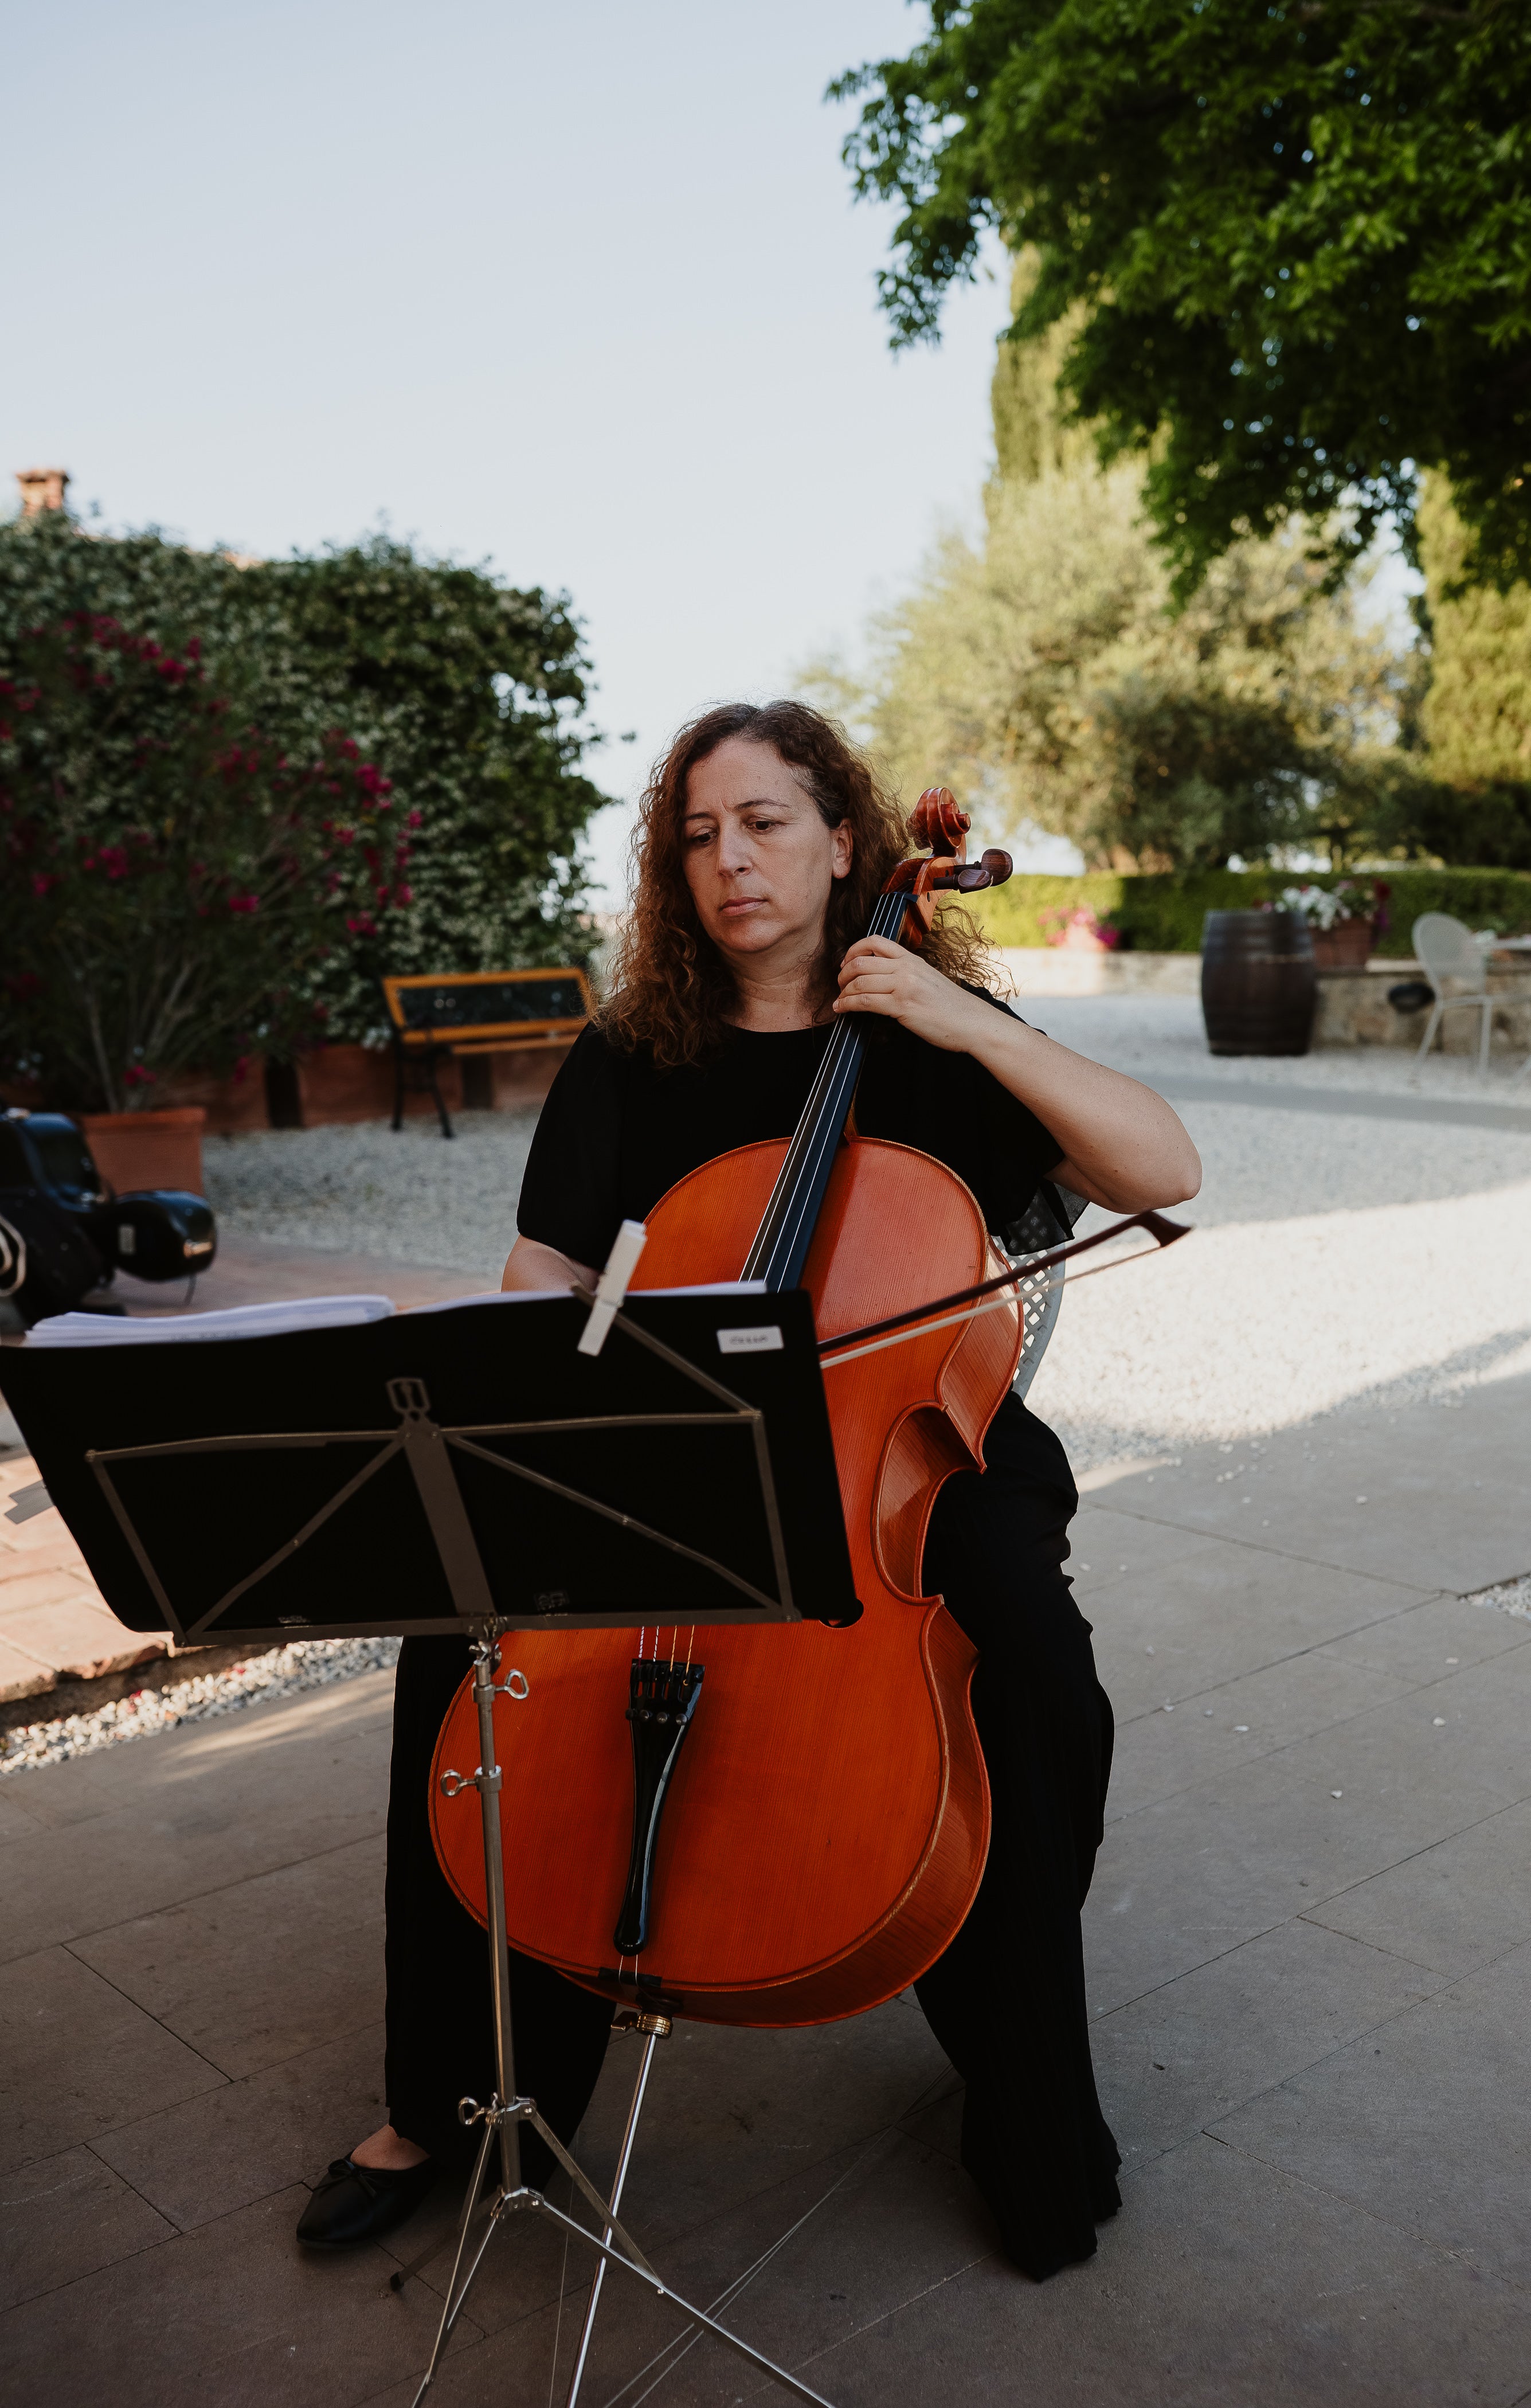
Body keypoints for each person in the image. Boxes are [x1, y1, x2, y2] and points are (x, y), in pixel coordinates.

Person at [297, 700, 1200, 2278]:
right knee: (461, 1635)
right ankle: (457, 2099)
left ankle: (1016, 2069)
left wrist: (970, 1023)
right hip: (677, 1446)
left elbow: (1165, 1169)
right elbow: (547, 1267)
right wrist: (552, 1397)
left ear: (846, 841)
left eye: (766, 824)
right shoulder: (633, 1056)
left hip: (915, 1450)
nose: (731, 861)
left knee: (1030, 1660)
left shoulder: (937, 1038)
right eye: (701, 835)